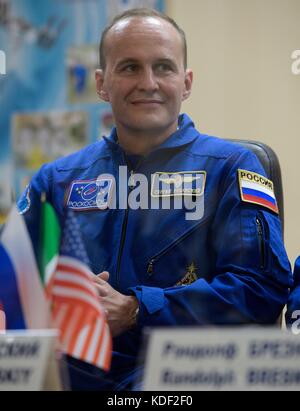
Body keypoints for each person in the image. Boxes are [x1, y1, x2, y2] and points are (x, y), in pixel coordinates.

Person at [18, 8, 292, 390]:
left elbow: (262, 289)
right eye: (129, 67)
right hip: (72, 373)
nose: (148, 82)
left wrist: (136, 309)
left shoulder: (231, 168)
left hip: (182, 377)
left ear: (186, 82)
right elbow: (11, 280)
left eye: (163, 67)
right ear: (101, 83)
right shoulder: (57, 180)